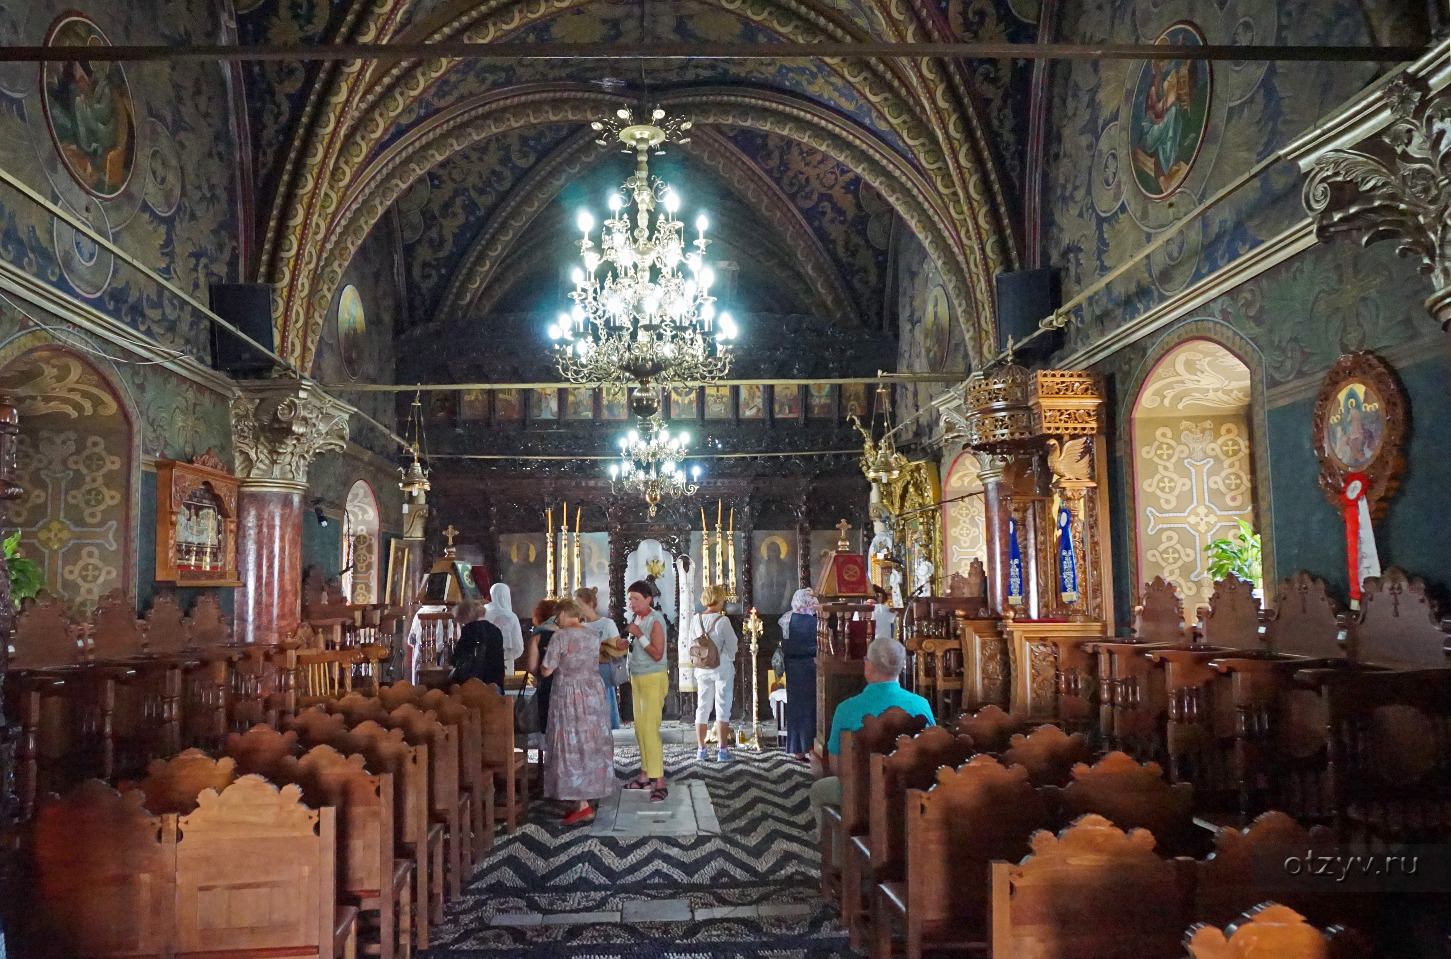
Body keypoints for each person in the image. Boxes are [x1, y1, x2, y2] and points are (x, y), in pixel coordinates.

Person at [808, 638, 934, 829]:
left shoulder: (846, 708)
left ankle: (834, 844)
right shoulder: (921, 705)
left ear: (868, 665)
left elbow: (837, 766)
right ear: (902, 667)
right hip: (910, 793)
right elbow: (931, 755)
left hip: (860, 795)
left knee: (817, 790)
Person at [540, 599, 615, 826]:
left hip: (569, 695)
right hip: (592, 693)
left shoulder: (560, 636)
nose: (557, 621)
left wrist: (546, 655)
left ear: (564, 614)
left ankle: (581, 804)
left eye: (558, 616)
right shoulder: (593, 635)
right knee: (590, 742)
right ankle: (588, 793)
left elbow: (546, 670)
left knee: (570, 744)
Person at [623, 580, 670, 802]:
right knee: (640, 730)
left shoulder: (655, 620)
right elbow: (638, 647)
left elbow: (657, 654)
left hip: (653, 678)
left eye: (636, 599)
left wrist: (638, 634)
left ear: (648, 599)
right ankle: (644, 776)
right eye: (630, 599)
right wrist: (626, 643)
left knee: (650, 731)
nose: (631, 603)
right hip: (638, 677)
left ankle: (659, 782)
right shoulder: (637, 618)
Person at [689, 583, 740, 762]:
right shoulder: (722, 621)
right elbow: (732, 645)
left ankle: (701, 750)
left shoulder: (696, 619)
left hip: (702, 669)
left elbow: (691, 643)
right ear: (719, 600)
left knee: (702, 708)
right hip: (721, 669)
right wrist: (725, 657)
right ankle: (722, 751)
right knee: (722, 708)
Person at [777, 587, 819, 759]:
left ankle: (796, 749)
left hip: (792, 666)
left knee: (795, 708)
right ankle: (810, 747)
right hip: (810, 666)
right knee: (810, 708)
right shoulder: (815, 621)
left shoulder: (786, 619)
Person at [577, 586, 626, 729]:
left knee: (605, 709)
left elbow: (617, 647)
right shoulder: (578, 625)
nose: (577, 609)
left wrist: (603, 645)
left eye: (579, 605)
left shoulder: (607, 623)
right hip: (584, 671)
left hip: (602, 669)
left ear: (590, 604)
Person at [449, 599, 505, 690]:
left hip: (472, 684)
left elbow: (456, 659)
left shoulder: (469, 630)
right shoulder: (495, 630)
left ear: (465, 616)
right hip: (495, 684)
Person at [528, 599, 558, 735]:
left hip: (546, 684)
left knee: (548, 727)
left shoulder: (537, 636)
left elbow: (532, 667)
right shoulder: (570, 633)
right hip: (569, 686)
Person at [484, 583, 525, 676]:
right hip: (506, 663)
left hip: (484, 663)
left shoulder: (483, 613)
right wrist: (508, 657)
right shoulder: (511, 617)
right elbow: (518, 647)